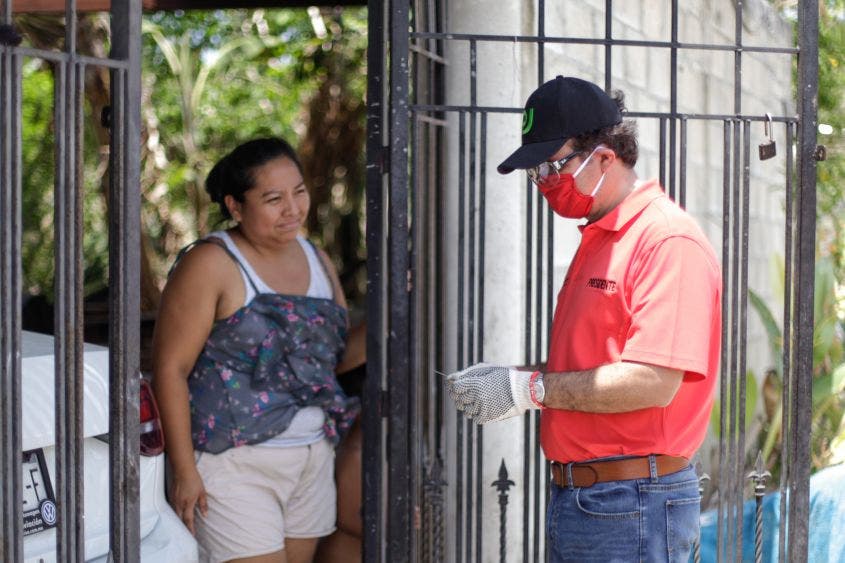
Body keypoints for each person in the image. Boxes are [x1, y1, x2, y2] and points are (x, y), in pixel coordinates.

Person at [445, 76, 722, 562]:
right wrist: (515, 378)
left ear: (605, 157)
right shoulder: (600, 238)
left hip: (633, 500)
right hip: (591, 500)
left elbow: (653, 380)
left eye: (553, 167)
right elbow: (598, 361)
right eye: (538, 173)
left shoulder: (665, 241)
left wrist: (530, 389)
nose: (545, 184)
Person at [152, 137, 360, 563]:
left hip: (310, 458)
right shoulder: (211, 263)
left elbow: (332, 360)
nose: (293, 209)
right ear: (234, 206)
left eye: (298, 191)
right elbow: (170, 368)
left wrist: (392, 313)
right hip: (233, 464)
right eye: (273, 198)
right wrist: (185, 470)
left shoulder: (315, 257)